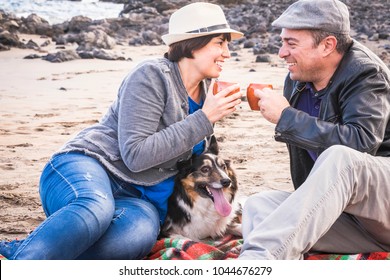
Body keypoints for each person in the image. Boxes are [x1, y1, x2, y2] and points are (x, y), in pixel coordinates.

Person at [0, 2, 243, 260]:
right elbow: (136, 155)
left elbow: (190, 163)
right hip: (88, 168)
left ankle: (35, 249)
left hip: (138, 201)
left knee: (136, 236)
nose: (227, 53)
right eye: (220, 43)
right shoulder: (151, 75)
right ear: (193, 44)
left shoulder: (207, 94)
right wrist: (205, 118)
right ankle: (23, 263)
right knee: (97, 208)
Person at [239, 0, 390, 260]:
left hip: (383, 208)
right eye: (282, 42)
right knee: (259, 206)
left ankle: (257, 264)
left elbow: (361, 144)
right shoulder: (297, 80)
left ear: (327, 45)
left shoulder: (366, 74)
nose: (281, 53)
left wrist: (287, 118)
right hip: (357, 224)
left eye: (291, 43)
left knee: (342, 157)